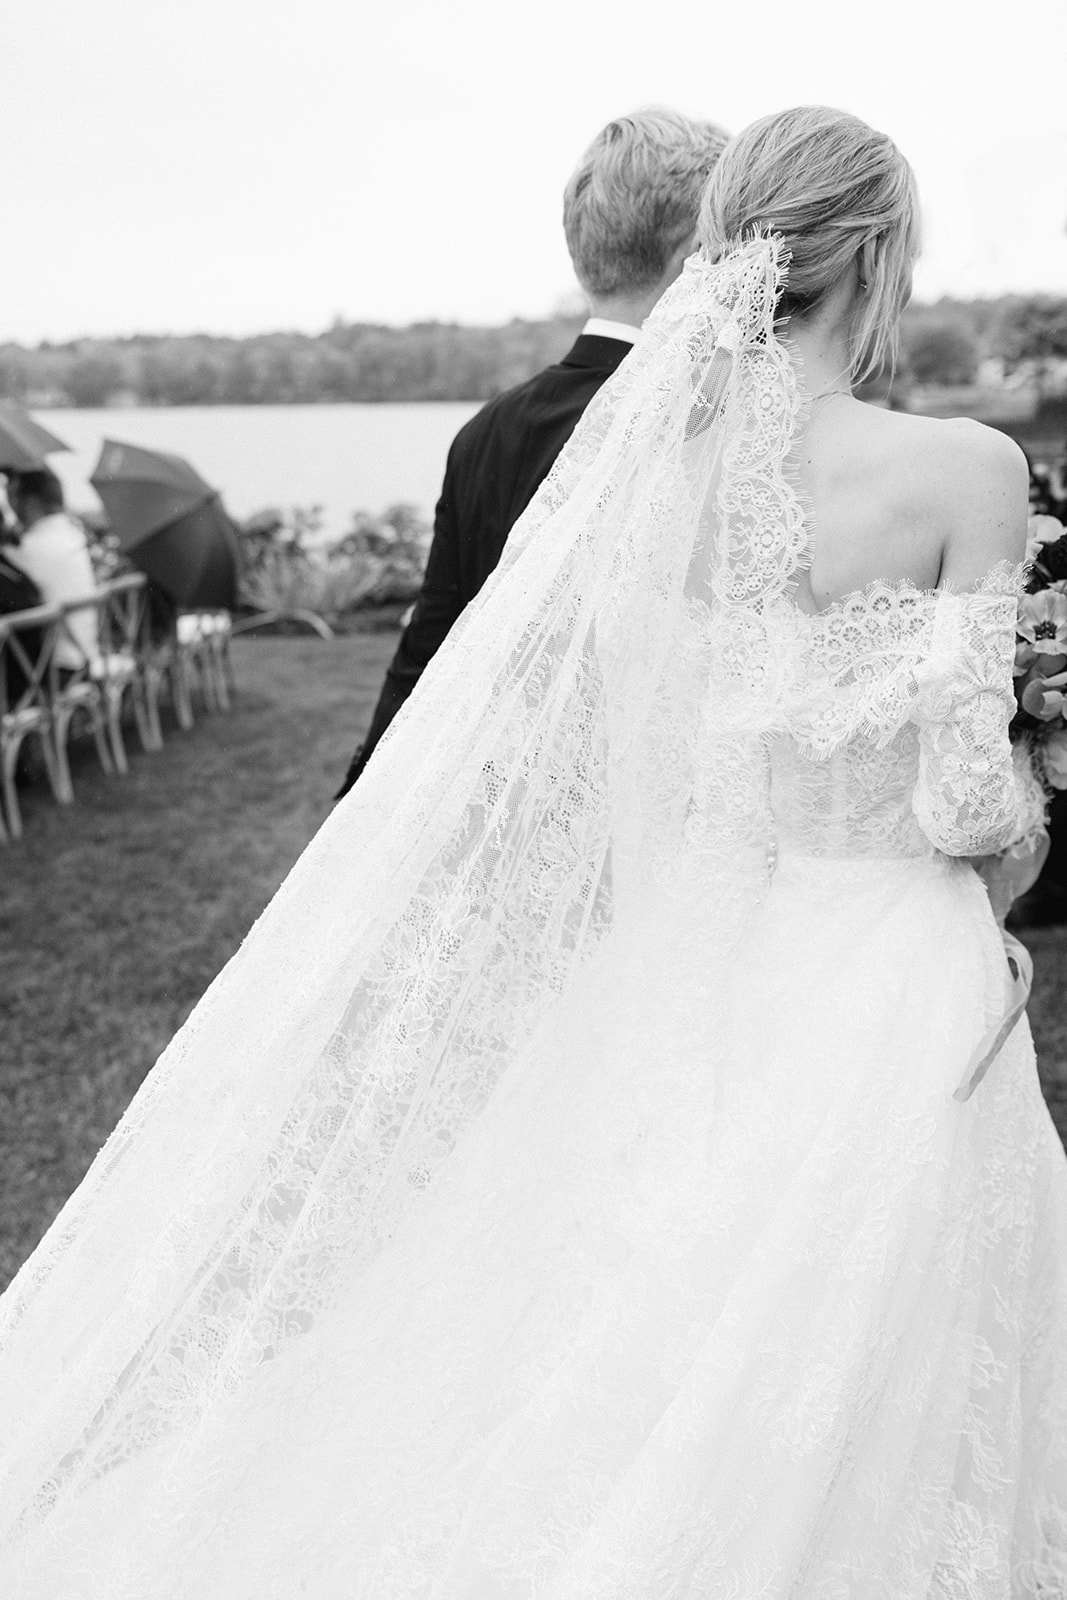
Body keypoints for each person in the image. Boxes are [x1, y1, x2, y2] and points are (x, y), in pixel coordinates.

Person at [2, 107, 1066, 1596]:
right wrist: (1024, 784)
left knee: (643, 1301)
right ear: (876, 257)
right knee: (862, 1314)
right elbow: (961, 807)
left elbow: (672, 760)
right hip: (880, 963)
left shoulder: (658, 479)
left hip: (701, 948)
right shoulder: (963, 468)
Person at [335, 106, 730, 797]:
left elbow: (433, 637)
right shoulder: (700, 422)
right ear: (691, 253)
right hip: (651, 803)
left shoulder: (483, 433)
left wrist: (365, 786)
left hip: (508, 799)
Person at [6, 467, 100, 670]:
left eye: (13, 499)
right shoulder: (71, 535)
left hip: (56, 668)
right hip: (84, 657)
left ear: (31, 503)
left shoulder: (32, 547)